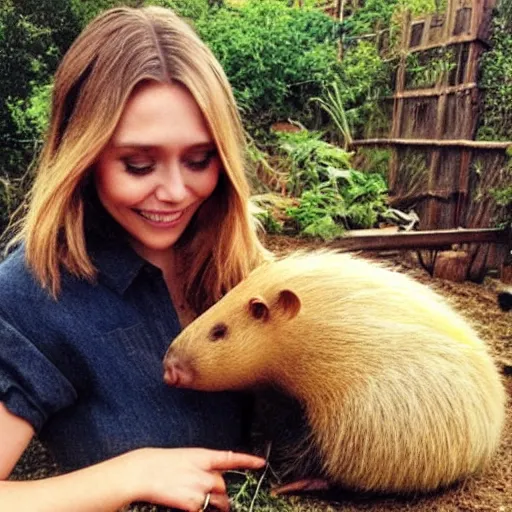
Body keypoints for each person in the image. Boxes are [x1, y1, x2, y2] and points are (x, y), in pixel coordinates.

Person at [0, 5, 268, 511]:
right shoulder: (34, 292)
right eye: (139, 164)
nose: (174, 191)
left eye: (199, 159)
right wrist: (131, 473)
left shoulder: (248, 271)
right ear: (83, 155)